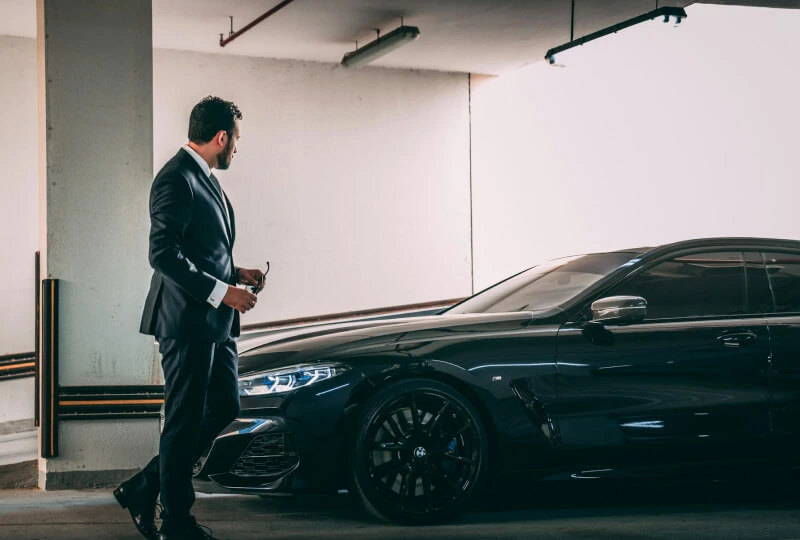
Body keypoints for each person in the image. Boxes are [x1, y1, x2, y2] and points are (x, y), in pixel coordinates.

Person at [114, 96, 265, 540]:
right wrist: (223, 293)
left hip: (213, 323)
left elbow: (196, 248)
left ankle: (146, 484)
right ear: (221, 137)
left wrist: (237, 273)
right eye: (236, 139)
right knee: (183, 421)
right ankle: (176, 522)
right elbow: (162, 253)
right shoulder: (176, 178)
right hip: (186, 322)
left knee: (225, 405)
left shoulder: (204, 178)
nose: (237, 147)